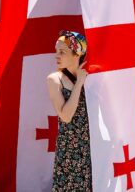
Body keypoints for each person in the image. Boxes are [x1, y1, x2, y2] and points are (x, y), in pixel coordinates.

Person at [47, 30, 92, 191]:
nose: (56, 55)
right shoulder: (54, 79)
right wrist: (79, 83)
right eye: (56, 51)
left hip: (92, 147)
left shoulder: (92, 77)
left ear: (77, 54)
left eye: (62, 52)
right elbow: (65, 116)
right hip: (70, 150)